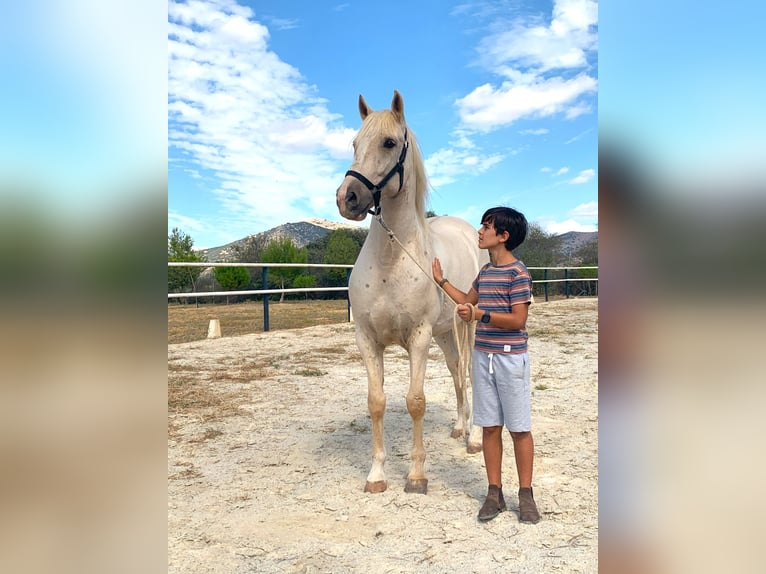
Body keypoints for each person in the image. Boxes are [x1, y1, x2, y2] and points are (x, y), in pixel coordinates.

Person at [432, 206, 539, 524]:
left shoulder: (518, 274)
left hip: (510, 359)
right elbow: (466, 298)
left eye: (486, 226)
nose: (479, 231)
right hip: (483, 358)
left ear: (503, 237)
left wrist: (481, 316)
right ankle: (494, 493)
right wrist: (442, 281)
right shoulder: (486, 273)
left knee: (519, 429)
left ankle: (526, 494)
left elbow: (519, 319)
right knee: (490, 427)